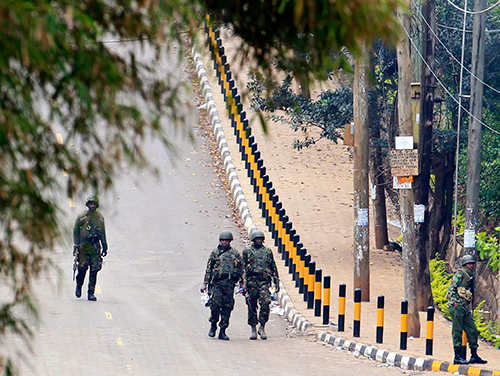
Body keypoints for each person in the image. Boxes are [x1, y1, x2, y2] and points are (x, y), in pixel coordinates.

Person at [201, 230, 244, 340]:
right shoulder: (215, 253)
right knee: (215, 305)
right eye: (223, 240)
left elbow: (241, 269)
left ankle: (223, 330)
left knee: (227, 307)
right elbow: (209, 269)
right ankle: (213, 325)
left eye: (227, 241)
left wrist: (243, 283)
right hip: (217, 284)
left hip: (229, 284)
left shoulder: (235, 254)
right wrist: (205, 283)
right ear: (220, 241)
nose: (225, 242)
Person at [446, 254, 487, 365]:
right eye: (469, 264)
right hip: (457, 306)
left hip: (464, 306)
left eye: (472, 264)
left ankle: (474, 355)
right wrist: (454, 302)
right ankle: (457, 356)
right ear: (464, 264)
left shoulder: (470, 276)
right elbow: (450, 290)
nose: (471, 266)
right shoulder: (460, 273)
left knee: (472, 329)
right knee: (457, 330)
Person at [242, 229, 279, 340]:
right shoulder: (247, 252)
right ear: (253, 240)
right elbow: (242, 268)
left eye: (260, 239)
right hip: (251, 282)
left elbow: (273, 267)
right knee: (251, 306)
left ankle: (262, 327)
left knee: (265, 303)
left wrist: (276, 281)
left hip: (264, 282)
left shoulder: (267, 251)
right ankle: (253, 328)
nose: (259, 241)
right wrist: (243, 283)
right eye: (257, 239)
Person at [73, 195, 108, 302]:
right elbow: (75, 231)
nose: (92, 206)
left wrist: (105, 246)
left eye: (94, 204)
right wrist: (76, 244)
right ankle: (79, 285)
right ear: (88, 205)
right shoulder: (82, 217)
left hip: (95, 247)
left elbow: (102, 233)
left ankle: (91, 292)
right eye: (90, 204)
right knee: (82, 268)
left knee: (94, 270)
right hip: (84, 246)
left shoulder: (100, 218)